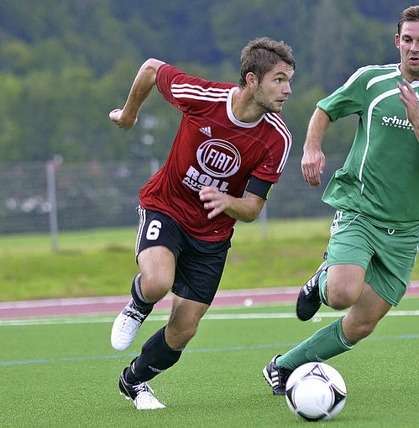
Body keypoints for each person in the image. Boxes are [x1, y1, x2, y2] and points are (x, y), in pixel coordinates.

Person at [263, 5, 419, 395]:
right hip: (360, 209)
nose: (414, 48)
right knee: (342, 294)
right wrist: (311, 148)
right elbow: (325, 109)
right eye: (407, 39)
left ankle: (284, 365)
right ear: (397, 41)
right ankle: (323, 281)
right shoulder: (372, 80)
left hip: (406, 228)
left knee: (361, 323)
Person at [108, 37, 295, 410]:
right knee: (158, 281)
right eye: (278, 80)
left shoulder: (277, 139)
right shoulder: (203, 97)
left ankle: (134, 380)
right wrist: (129, 114)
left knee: (184, 329)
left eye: (290, 80)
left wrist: (229, 202)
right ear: (252, 80)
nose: (287, 90)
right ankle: (137, 303)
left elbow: (253, 208)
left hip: (213, 235)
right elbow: (149, 68)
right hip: (167, 207)